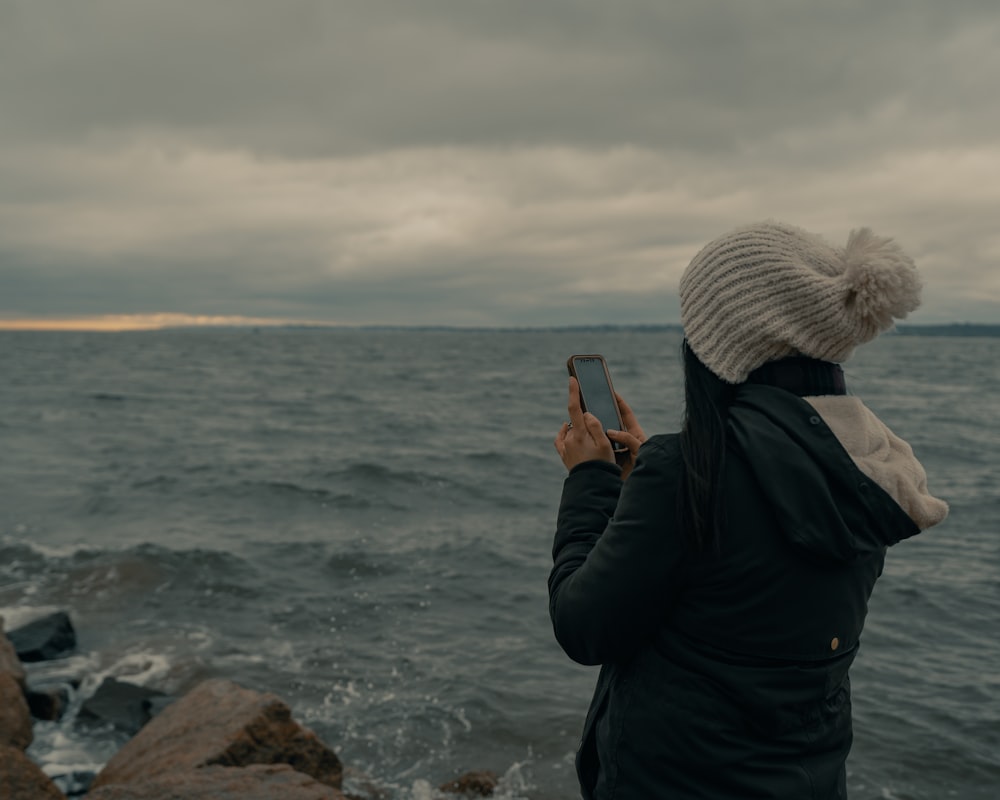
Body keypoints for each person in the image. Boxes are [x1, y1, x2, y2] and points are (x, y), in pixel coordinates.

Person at [549, 221, 948, 799]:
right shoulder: (868, 468)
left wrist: (591, 479)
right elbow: (744, 591)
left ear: (721, 343)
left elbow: (581, 628)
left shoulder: (689, 472)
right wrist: (644, 485)